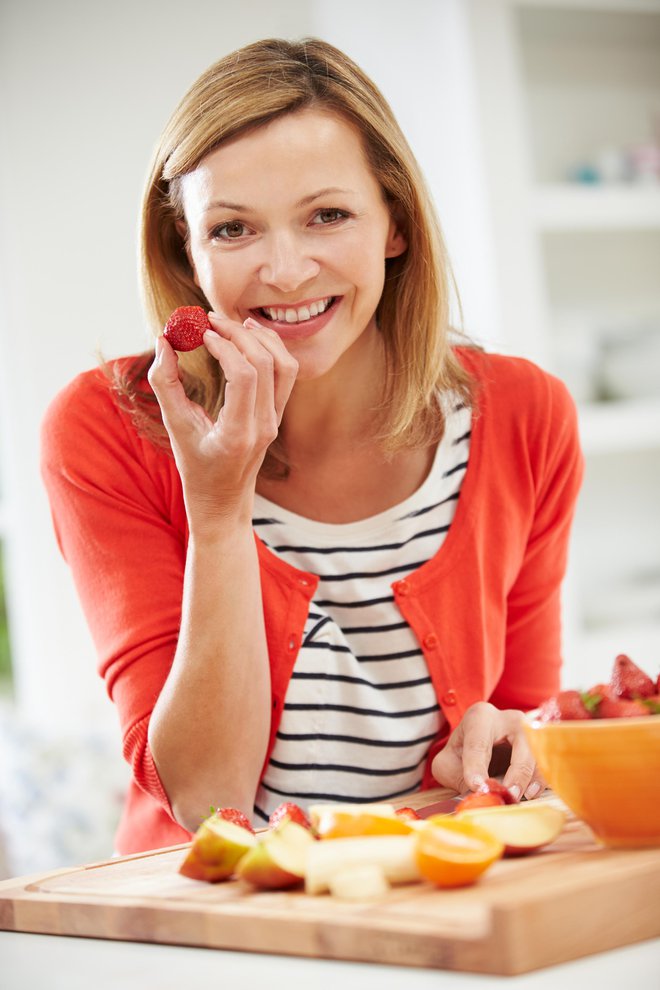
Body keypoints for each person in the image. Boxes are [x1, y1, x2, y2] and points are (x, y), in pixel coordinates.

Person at [41, 38, 583, 855]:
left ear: (395, 222)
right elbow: (205, 797)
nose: (287, 270)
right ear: (186, 249)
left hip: (430, 896)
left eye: (327, 215)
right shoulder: (107, 430)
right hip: (213, 932)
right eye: (232, 229)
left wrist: (507, 738)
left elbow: (524, 725)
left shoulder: (523, 415)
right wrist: (219, 511)